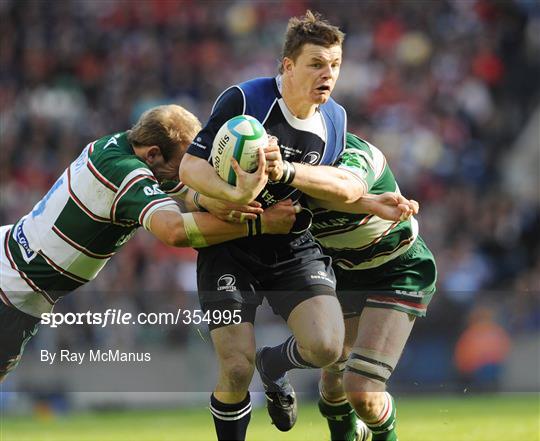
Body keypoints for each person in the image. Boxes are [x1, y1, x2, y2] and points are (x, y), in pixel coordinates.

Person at [0, 104, 298, 382]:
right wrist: (261, 223)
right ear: (153, 154)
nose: (189, 173)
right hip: (9, 285)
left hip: (20, 291)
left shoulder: (123, 149)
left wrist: (217, 197)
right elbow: (174, 231)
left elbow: (182, 187)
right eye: (183, 164)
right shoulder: (126, 172)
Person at [178, 10, 365, 440]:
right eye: (317, 63)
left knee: (326, 347)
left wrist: (372, 200)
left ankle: (275, 363)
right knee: (236, 368)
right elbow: (191, 166)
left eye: (335, 65)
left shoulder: (335, 120)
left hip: (292, 245)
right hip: (229, 248)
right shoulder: (245, 101)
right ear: (288, 66)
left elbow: (322, 188)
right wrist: (235, 195)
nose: (328, 74)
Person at [307, 133, 437, 441]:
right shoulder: (284, 174)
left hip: (396, 269)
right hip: (342, 274)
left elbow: (345, 189)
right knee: (331, 385)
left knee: (362, 391)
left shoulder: (357, 155)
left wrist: (288, 175)